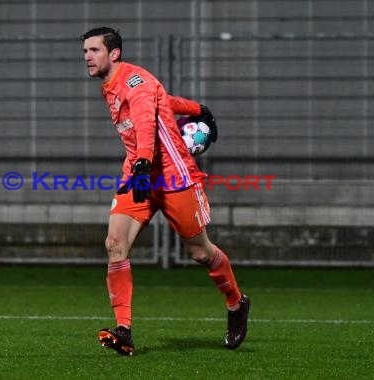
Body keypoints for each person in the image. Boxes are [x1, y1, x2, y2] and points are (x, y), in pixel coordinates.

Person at [81, 27, 249, 356]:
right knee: (115, 244)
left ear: (113, 53)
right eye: (85, 51)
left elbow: (146, 120)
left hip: (173, 176)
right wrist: (197, 109)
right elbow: (162, 101)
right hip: (139, 173)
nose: (87, 56)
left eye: (94, 50)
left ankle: (236, 303)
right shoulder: (112, 85)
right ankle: (124, 331)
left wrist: (144, 163)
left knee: (200, 253)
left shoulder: (134, 80)